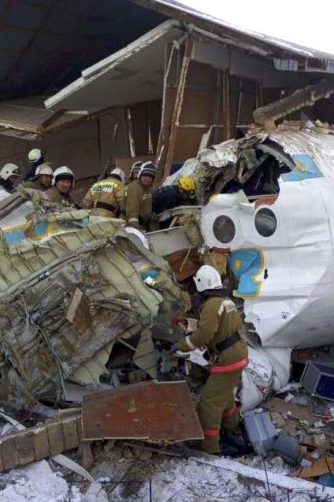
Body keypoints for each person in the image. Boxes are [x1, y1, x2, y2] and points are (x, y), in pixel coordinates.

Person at [172, 265, 248, 454]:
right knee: (225, 396)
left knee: (208, 405)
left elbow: (204, 334)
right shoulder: (225, 301)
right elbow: (218, 330)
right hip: (238, 353)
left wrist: (182, 345)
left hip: (228, 358)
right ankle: (234, 428)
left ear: (200, 285)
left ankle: (209, 448)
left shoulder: (211, 305)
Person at [124, 161, 156, 230]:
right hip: (133, 224)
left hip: (146, 224)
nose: (147, 178)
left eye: (150, 176)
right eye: (145, 175)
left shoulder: (151, 188)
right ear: (140, 175)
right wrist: (135, 228)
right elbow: (132, 210)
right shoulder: (133, 187)